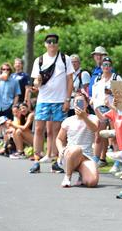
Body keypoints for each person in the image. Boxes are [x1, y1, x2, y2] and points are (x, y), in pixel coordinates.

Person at [29, 33, 73, 173]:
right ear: (45, 44)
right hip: (43, 100)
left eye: (54, 41)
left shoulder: (65, 59)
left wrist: (67, 99)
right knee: (39, 129)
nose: (52, 44)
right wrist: (37, 82)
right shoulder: (39, 60)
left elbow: (70, 80)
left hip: (60, 100)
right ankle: (36, 159)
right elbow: (35, 81)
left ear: (57, 44)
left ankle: (57, 160)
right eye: (49, 41)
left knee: (57, 131)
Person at [56, 91, 99, 187]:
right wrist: (60, 150)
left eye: (81, 102)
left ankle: (82, 174)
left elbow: (94, 128)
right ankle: (67, 177)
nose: (78, 104)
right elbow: (59, 138)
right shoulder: (68, 120)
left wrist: (84, 117)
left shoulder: (93, 118)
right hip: (70, 154)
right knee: (77, 149)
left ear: (87, 104)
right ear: (73, 104)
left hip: (86, 156)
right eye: (76, 102)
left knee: (92, 182)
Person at [91, 56, 122, 168]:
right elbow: (94, 96)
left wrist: (111, 92)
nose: (106, 67)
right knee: (99, 135)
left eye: (108, 65)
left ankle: (118, 161)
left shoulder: (116, 78)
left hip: (113, 108)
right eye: (104, 65)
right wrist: (95, 106)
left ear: (111, 67)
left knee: (114, 136)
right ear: (101, 66)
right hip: (101, 108)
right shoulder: (98, 79)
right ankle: (96, 159)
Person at [0, 63, 21, 152]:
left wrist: (14, 106)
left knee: (8, 127)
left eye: (7, 69)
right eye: (3, 69)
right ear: (1, 70)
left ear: (10, 71)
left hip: (8, 106)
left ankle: (7, 145)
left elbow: (17, 95)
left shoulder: (14, 81)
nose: (5, 71)